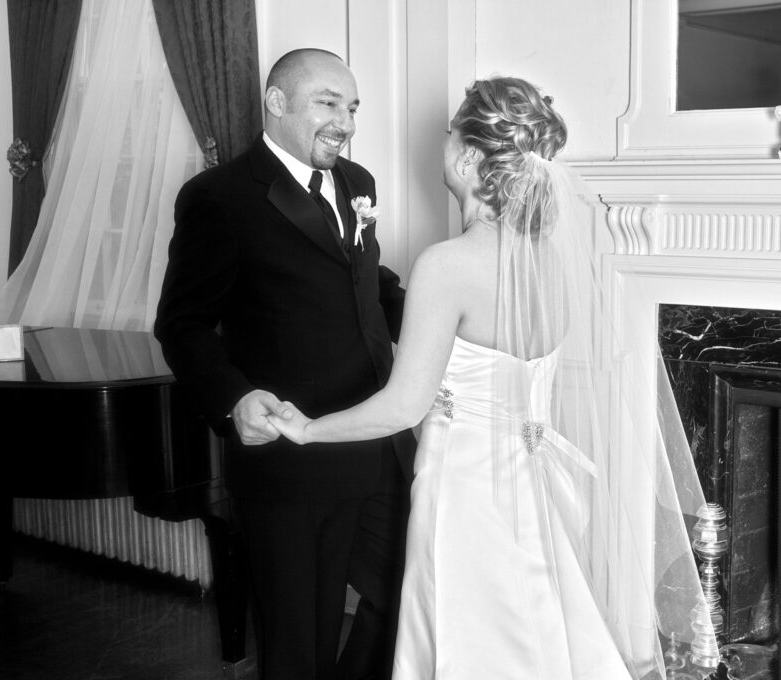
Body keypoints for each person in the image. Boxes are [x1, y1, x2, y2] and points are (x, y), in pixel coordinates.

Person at [269, 77, 717, 679]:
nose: (444, 138)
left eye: (450, 128)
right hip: (530, 485)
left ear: (471, 157)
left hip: (465, 489)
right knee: (531, 633)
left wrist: (307, 429)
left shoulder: (448, 264)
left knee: (466, 633)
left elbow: (404, 408)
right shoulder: (551, 263)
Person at [154, 49, 415, 680]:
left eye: (351, 107)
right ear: (277, 102)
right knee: (302, 642)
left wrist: (457, 326)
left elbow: (368, 288)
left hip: (377, 440)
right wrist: (234, 398)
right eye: (328, 103)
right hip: (290, 458)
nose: (346, 122)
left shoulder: (359, 184)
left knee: (410, 603)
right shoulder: (218, 198)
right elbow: (181, 324)